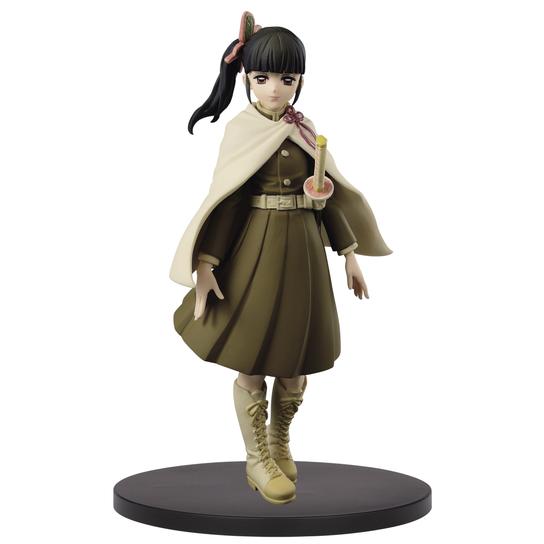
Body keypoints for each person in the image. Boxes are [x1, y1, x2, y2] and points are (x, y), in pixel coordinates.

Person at [169, 12, 392, 505]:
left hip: (304, 254)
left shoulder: (305, 130)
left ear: (300, 82)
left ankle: (278, 441)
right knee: (252, 354)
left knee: (296, 357)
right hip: (255, 253)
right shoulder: (242, 131)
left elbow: (326, 198)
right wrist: (205, 263)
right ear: (247, 79)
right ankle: (256, 458)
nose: (274, 89)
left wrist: (350, 253)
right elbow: (227, 202)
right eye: (262, 77)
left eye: (286, 79)